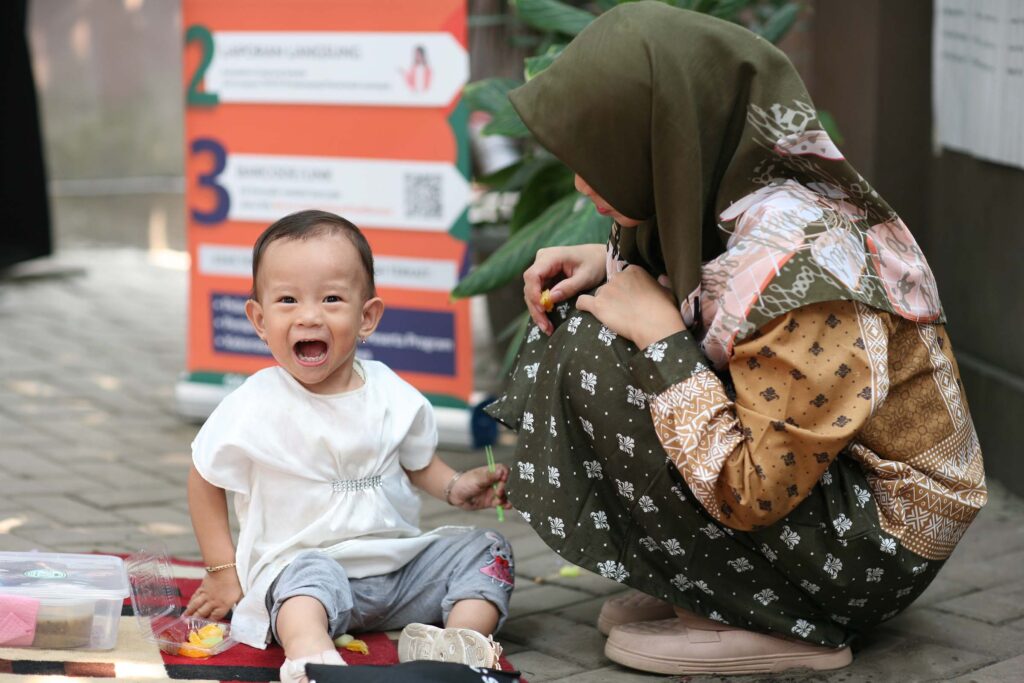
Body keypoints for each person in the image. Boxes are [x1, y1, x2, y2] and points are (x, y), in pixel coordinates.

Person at [485, 2, 986, 676]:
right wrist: (607, 265)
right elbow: (720, 284)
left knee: (602, 354)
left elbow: (756, 486)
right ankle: (719, 585)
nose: (582, 182)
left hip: (878, 548)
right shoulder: (745, 193)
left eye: (600, 158)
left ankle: (789, 622)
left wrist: (661, 334)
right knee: (594, 319)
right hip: (832, 498)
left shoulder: (805, 279)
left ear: (667, 139)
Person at [185, 210, 514, 683]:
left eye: (332, 298)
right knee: (306, 583)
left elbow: (419, 463)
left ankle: (456, 646)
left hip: (399, 571)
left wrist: (457, 487)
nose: (310, 315)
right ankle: (312, 658)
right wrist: (222, 569)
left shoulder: (390, 391)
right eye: (287, 300)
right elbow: (204, 477)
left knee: (487, 549)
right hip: (308, 576)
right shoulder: (255, 403)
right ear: (259, 319)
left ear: (367, 317)